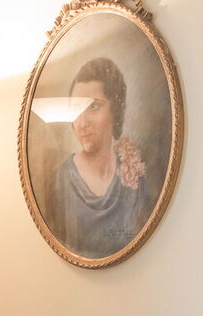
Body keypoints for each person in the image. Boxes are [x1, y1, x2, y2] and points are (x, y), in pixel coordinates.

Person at [50, 57, 149, 259]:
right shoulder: (59, 182)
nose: (82, 122)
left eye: (94, 107)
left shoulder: (135, 178)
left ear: (115, 110)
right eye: (76, 109)